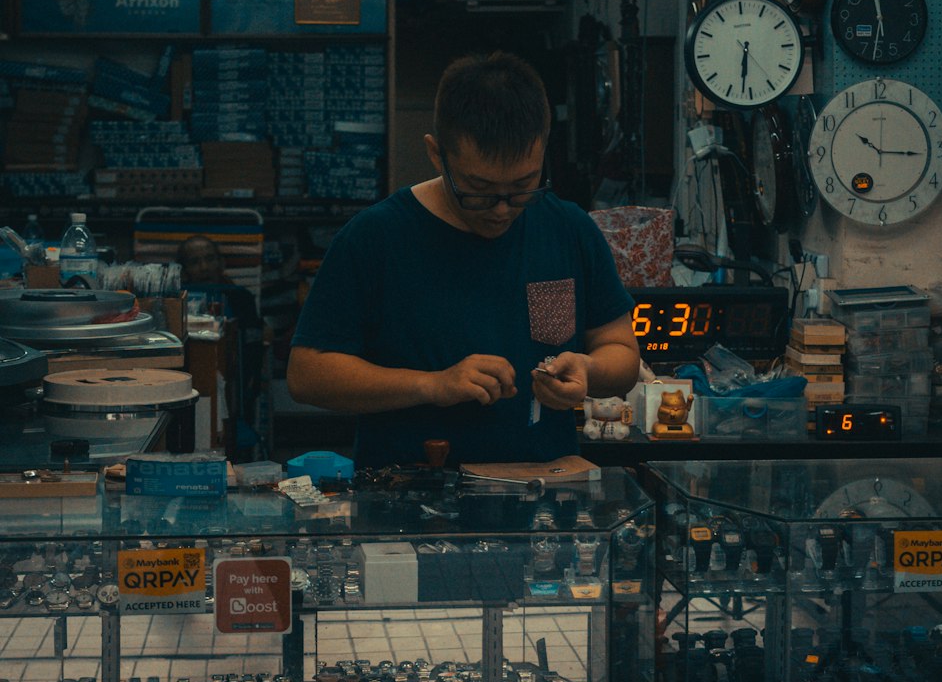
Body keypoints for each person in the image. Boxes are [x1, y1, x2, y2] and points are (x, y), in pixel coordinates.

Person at [287, 51, 639, 468]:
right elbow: (308, 373)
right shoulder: (376, 238)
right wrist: (430, 385)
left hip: (544, 500)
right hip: (406, 502)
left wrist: (588, 370)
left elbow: (621, 350)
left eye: (524, 186)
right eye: (479, 189)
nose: (502, 209)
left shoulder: (569, 229)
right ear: (437, 155)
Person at [177, 235, 270, 444]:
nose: (204, 267)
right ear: (184, 270)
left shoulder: (240, 298)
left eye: (210, 259)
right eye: (194, 262)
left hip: (234, 389)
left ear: (221, 263)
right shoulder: (176, 301)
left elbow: (252, 350)